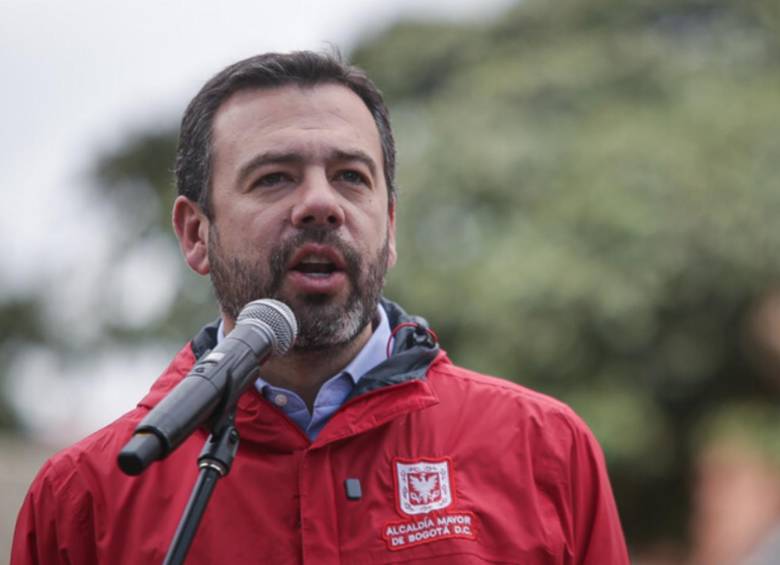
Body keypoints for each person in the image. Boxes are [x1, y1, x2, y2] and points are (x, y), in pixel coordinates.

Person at [11, 51, 630, 564]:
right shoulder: (84, 498)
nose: (320, 204)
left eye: (351, 177)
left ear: (389, 227)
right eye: (274, 178)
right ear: (196, 234)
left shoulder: (544, 449)